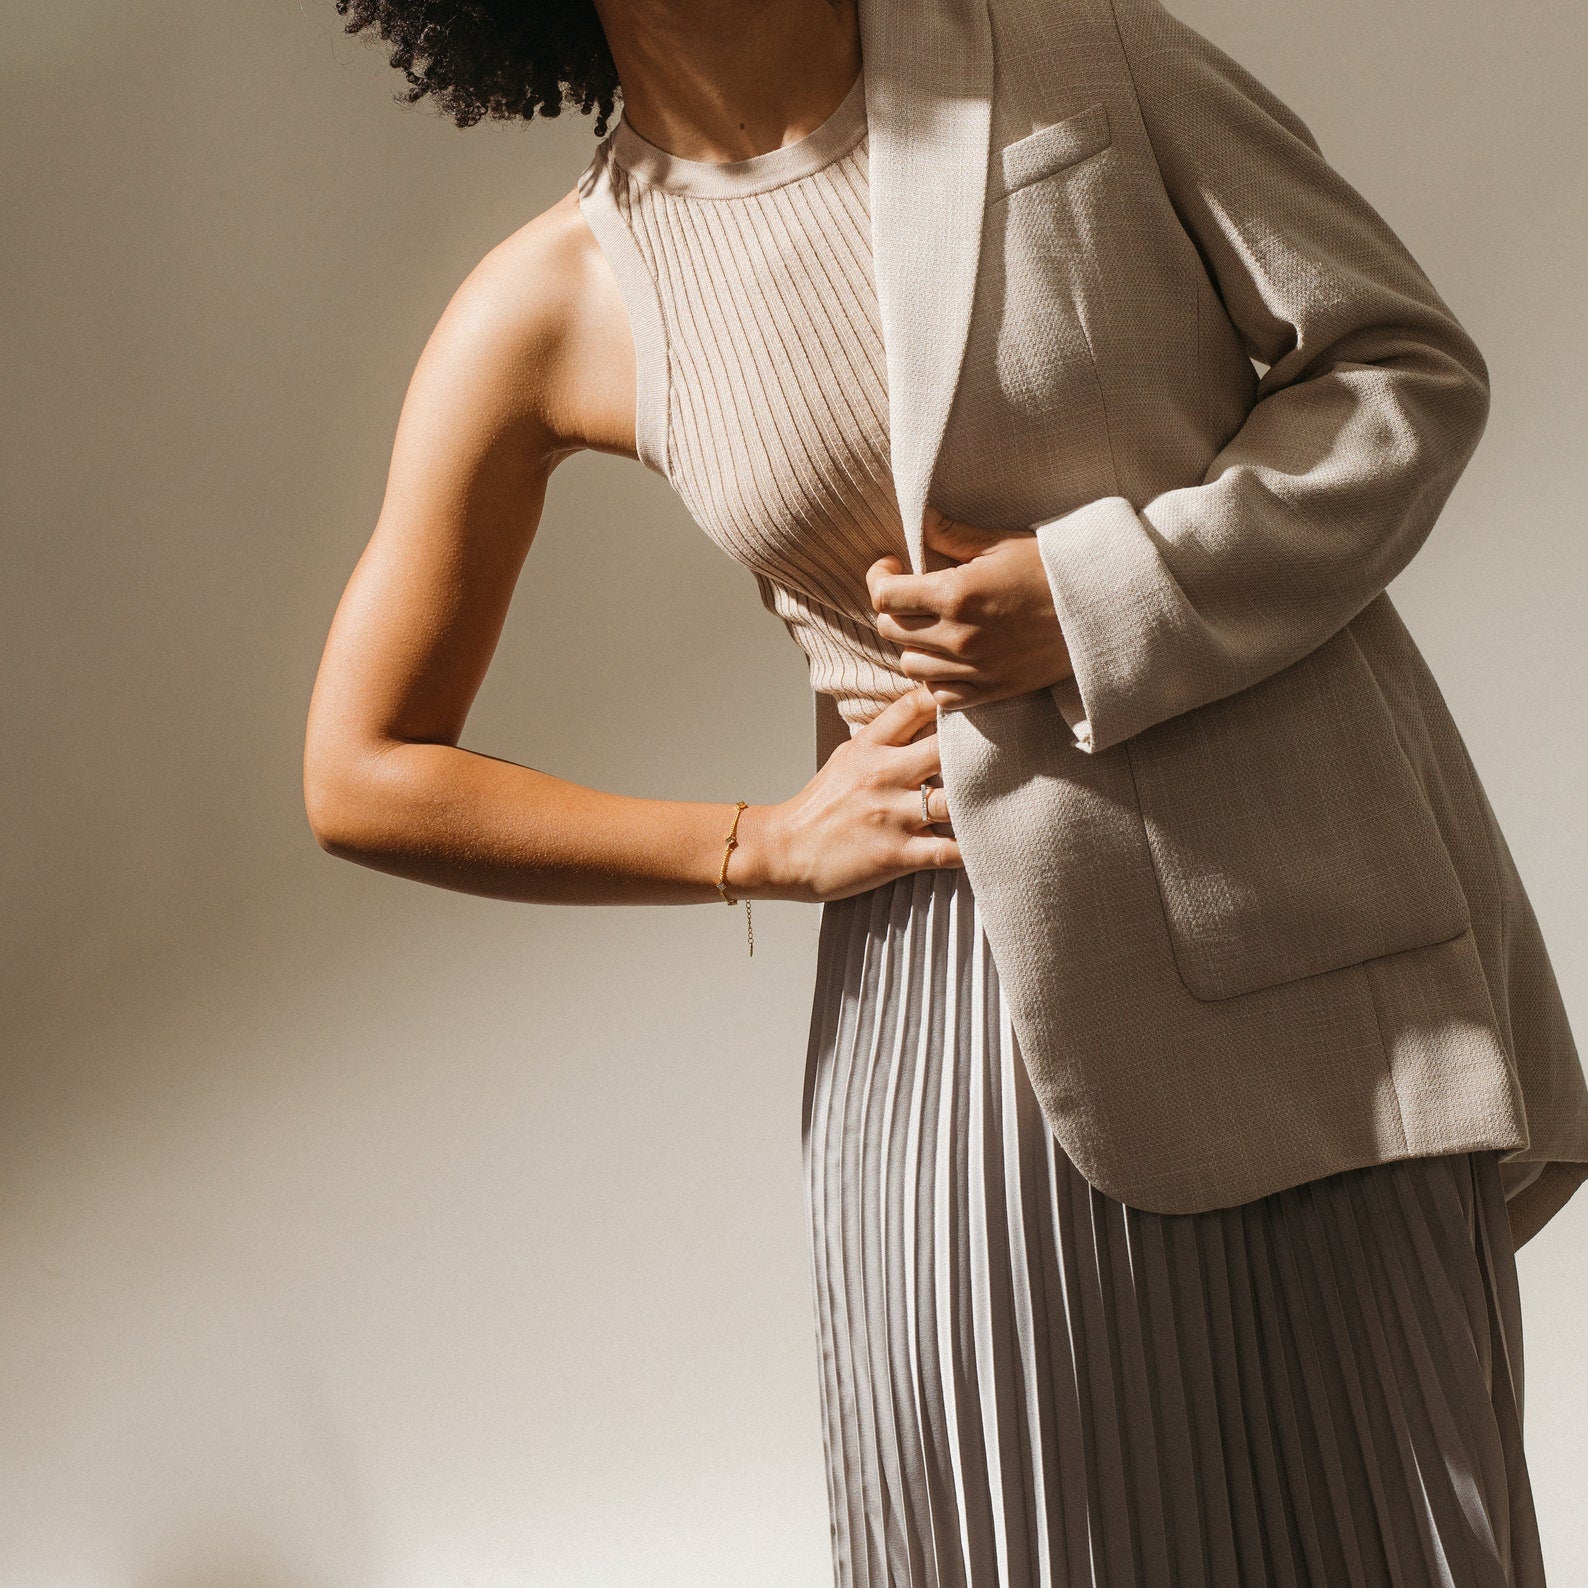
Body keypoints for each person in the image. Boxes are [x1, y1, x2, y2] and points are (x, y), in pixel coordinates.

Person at [304, 0, 1584, 1580]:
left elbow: (1404, 372)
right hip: (968, 1048)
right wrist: (755, 848)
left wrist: (1108, 591)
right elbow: (362, 772)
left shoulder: (1074, 44)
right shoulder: (559, 297)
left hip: (1321, 980)